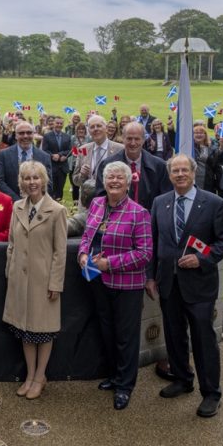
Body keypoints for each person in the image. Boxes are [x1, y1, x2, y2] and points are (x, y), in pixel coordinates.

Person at [148, 154, 223, 419]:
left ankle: (211, 393)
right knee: (174, 335)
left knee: (203, 339)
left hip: (199, 286)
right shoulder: (160, 203)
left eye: (185, 170)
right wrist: (151, 277)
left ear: (193, 173)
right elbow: (153, 243)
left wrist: (201, 258)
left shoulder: (214, 203)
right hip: (168, 283)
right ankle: (182, 378)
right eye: (175, 171)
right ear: (170, 175)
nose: (180, 174)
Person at [78, 162, 153, 410]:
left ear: (128, 182)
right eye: (110, 177)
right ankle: (113, 375)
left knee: (125, 337)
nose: (114, 181)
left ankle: (125, 385)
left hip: (126, 284)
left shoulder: (138, 213)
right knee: (107, 331)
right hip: (98, 281)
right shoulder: (97, 204)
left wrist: (110, 264)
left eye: (119, 177)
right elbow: (88, 235)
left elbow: (144, 253)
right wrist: (82, 254)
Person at [4, 161, 67, 400]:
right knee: (25, 330)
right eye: (27, 178)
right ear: (21, 182)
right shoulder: (18, 207)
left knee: (43, 331)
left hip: (43, 282)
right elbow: (11, 244)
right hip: (20, 281)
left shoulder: (57, 211)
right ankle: (30, 375)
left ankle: (40, 376)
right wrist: (10, 273)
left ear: (44, 181)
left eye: (36, 178)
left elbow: (60, 252)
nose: (32, 183)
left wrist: (55, 283)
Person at [95, 122, 172, 211]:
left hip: (149, 220)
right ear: (123, 139)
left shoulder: (159, 166)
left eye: (137, 139)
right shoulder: (107, 165)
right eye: (129, 139)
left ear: (143, 140)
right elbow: (101, 197)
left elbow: (166, 199)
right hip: (117, 220)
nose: (133, 143)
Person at [0, 121, 53, 201]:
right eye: (21, 133)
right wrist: (18, 201)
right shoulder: (4, 155)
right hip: (11, 203)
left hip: (36, 204)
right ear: (15, 135)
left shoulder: (44, 157)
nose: (25, 136)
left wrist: (34, 200)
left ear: (33, 134)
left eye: (29, 133)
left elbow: (48, 184)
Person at [72, 115, 122, 188]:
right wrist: (82, 175)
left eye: (99, 126)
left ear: (106, 128)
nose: (95, 129)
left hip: (111, 197)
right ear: (89, 131)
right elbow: (75, 181)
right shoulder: (82, 150)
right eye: (92, 127)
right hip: (88, 197)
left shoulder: (120, 149)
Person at [42, 116, 73, 201]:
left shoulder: (67, 136)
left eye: (61, 123)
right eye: (57, 123)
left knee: (60, 190)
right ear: (54, 123)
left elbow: (70, 150)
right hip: (51, 167)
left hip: (62, 168)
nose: (59, 125)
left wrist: (61, 155)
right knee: (51, 190)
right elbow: (44, 150)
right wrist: (52, 156)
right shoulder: (47, 136)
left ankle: (59, 207)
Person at [192, 123, 222, 192]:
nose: (199, 135)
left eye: (201, 133)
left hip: (207, 180)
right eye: (196, 133)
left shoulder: (211, 148)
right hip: (192, 180)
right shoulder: (189, 148)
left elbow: (216, 164)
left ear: (205, 135)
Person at [68, 121, 88, 202]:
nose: (81, 131)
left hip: (85, 165)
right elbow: (73, 152)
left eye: (83, 129)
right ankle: (75, 204)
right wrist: (82, 151)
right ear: (76, 130)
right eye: (79, 129)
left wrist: (78, 151)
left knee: (85, 186)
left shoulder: (89, 138)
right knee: (75, 185)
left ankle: (84, 203)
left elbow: (87, 152)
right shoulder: (73, 138)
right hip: (74, 165)